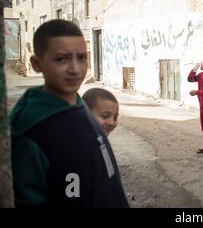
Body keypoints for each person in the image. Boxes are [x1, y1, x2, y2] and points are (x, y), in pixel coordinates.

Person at [10, 19, 129, 207]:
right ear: (36, 64)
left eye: (81, 58)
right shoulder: (32, 130)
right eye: (61, 59)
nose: (75, 69)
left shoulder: (79, 104)